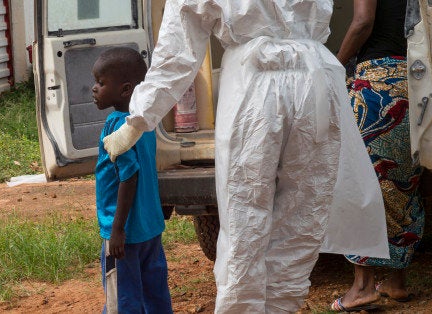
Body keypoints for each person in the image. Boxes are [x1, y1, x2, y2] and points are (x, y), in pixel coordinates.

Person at [102, 1, 387, 313]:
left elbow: (179, 46)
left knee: (253, 222)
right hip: (312, 79)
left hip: (257, 86)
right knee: (297, 222)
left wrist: (139, 119)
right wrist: (140, 119)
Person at [331, 0, 424, 311]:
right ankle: (397, 283)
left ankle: (363, 287)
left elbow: (362, 22)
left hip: (376, 85)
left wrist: (333, 66)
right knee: (403, 183)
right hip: (416, 80)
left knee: (362, 182)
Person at [92, 47, 173, 313]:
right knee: (155, 294)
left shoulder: (116, 124)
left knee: (122, 299)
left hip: (124, 234)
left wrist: (117, 230)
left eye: (101, 83)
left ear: (125, 89)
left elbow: (129, 177)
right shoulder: (144, 123)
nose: (94, 88)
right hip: (149, 227)